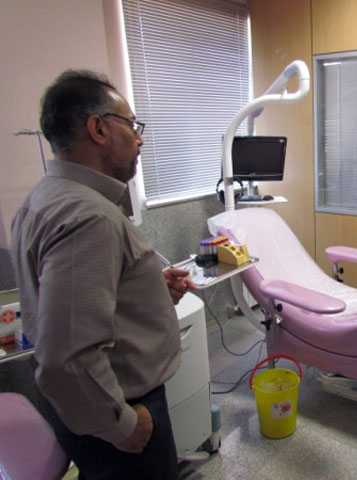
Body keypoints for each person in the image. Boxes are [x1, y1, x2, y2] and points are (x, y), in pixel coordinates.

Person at [11, 70, 196, 479]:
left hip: (82, 407)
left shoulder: (41, 200)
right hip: (120, 406)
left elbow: (70, 307)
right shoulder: (90, 217)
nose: (140, 139)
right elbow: (67, 357)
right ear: (98, 129)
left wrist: (150, 289)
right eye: (132, 125)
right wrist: (123, 427)